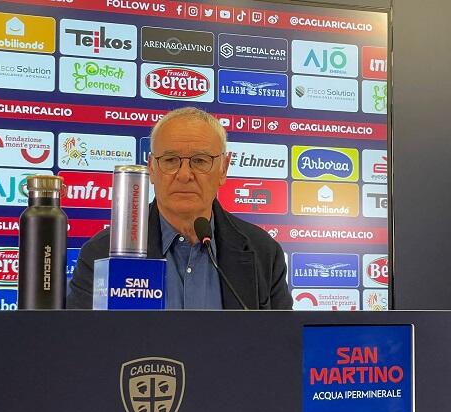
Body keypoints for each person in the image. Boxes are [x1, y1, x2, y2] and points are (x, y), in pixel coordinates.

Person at [67, 107, 292, 309]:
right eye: (170, 160)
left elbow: (281, 346)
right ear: (152, 169)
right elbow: (85, 348)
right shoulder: (101, 253)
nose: (184, 175)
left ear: (223, 169)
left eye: (201, 161)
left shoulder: (263, 253)